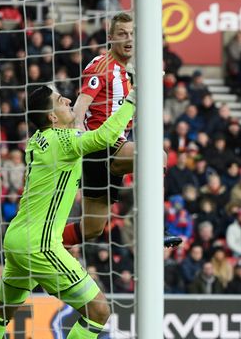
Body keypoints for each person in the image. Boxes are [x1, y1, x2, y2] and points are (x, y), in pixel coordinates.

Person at [0, 84, 135, 338]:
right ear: (51, 117)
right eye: (61, 100)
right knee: (98, 311)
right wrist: (133, 99)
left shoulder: (37, 140)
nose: (68, 100)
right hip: (40, 245)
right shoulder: (61, 141)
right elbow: (105, 137)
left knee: (2, 311)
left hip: (17, 238)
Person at [61, 13, 179, 248]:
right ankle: (156, 227)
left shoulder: (133, 70)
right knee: (158, 156)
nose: (128, 39)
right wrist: (76, 140)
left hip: (115, 147)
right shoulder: (102, 65)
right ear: (110, 37)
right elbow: (80, 106)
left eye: (132, 34)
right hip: (98, 146)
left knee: (92, 229)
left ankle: (44, 241)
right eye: (122, 34)